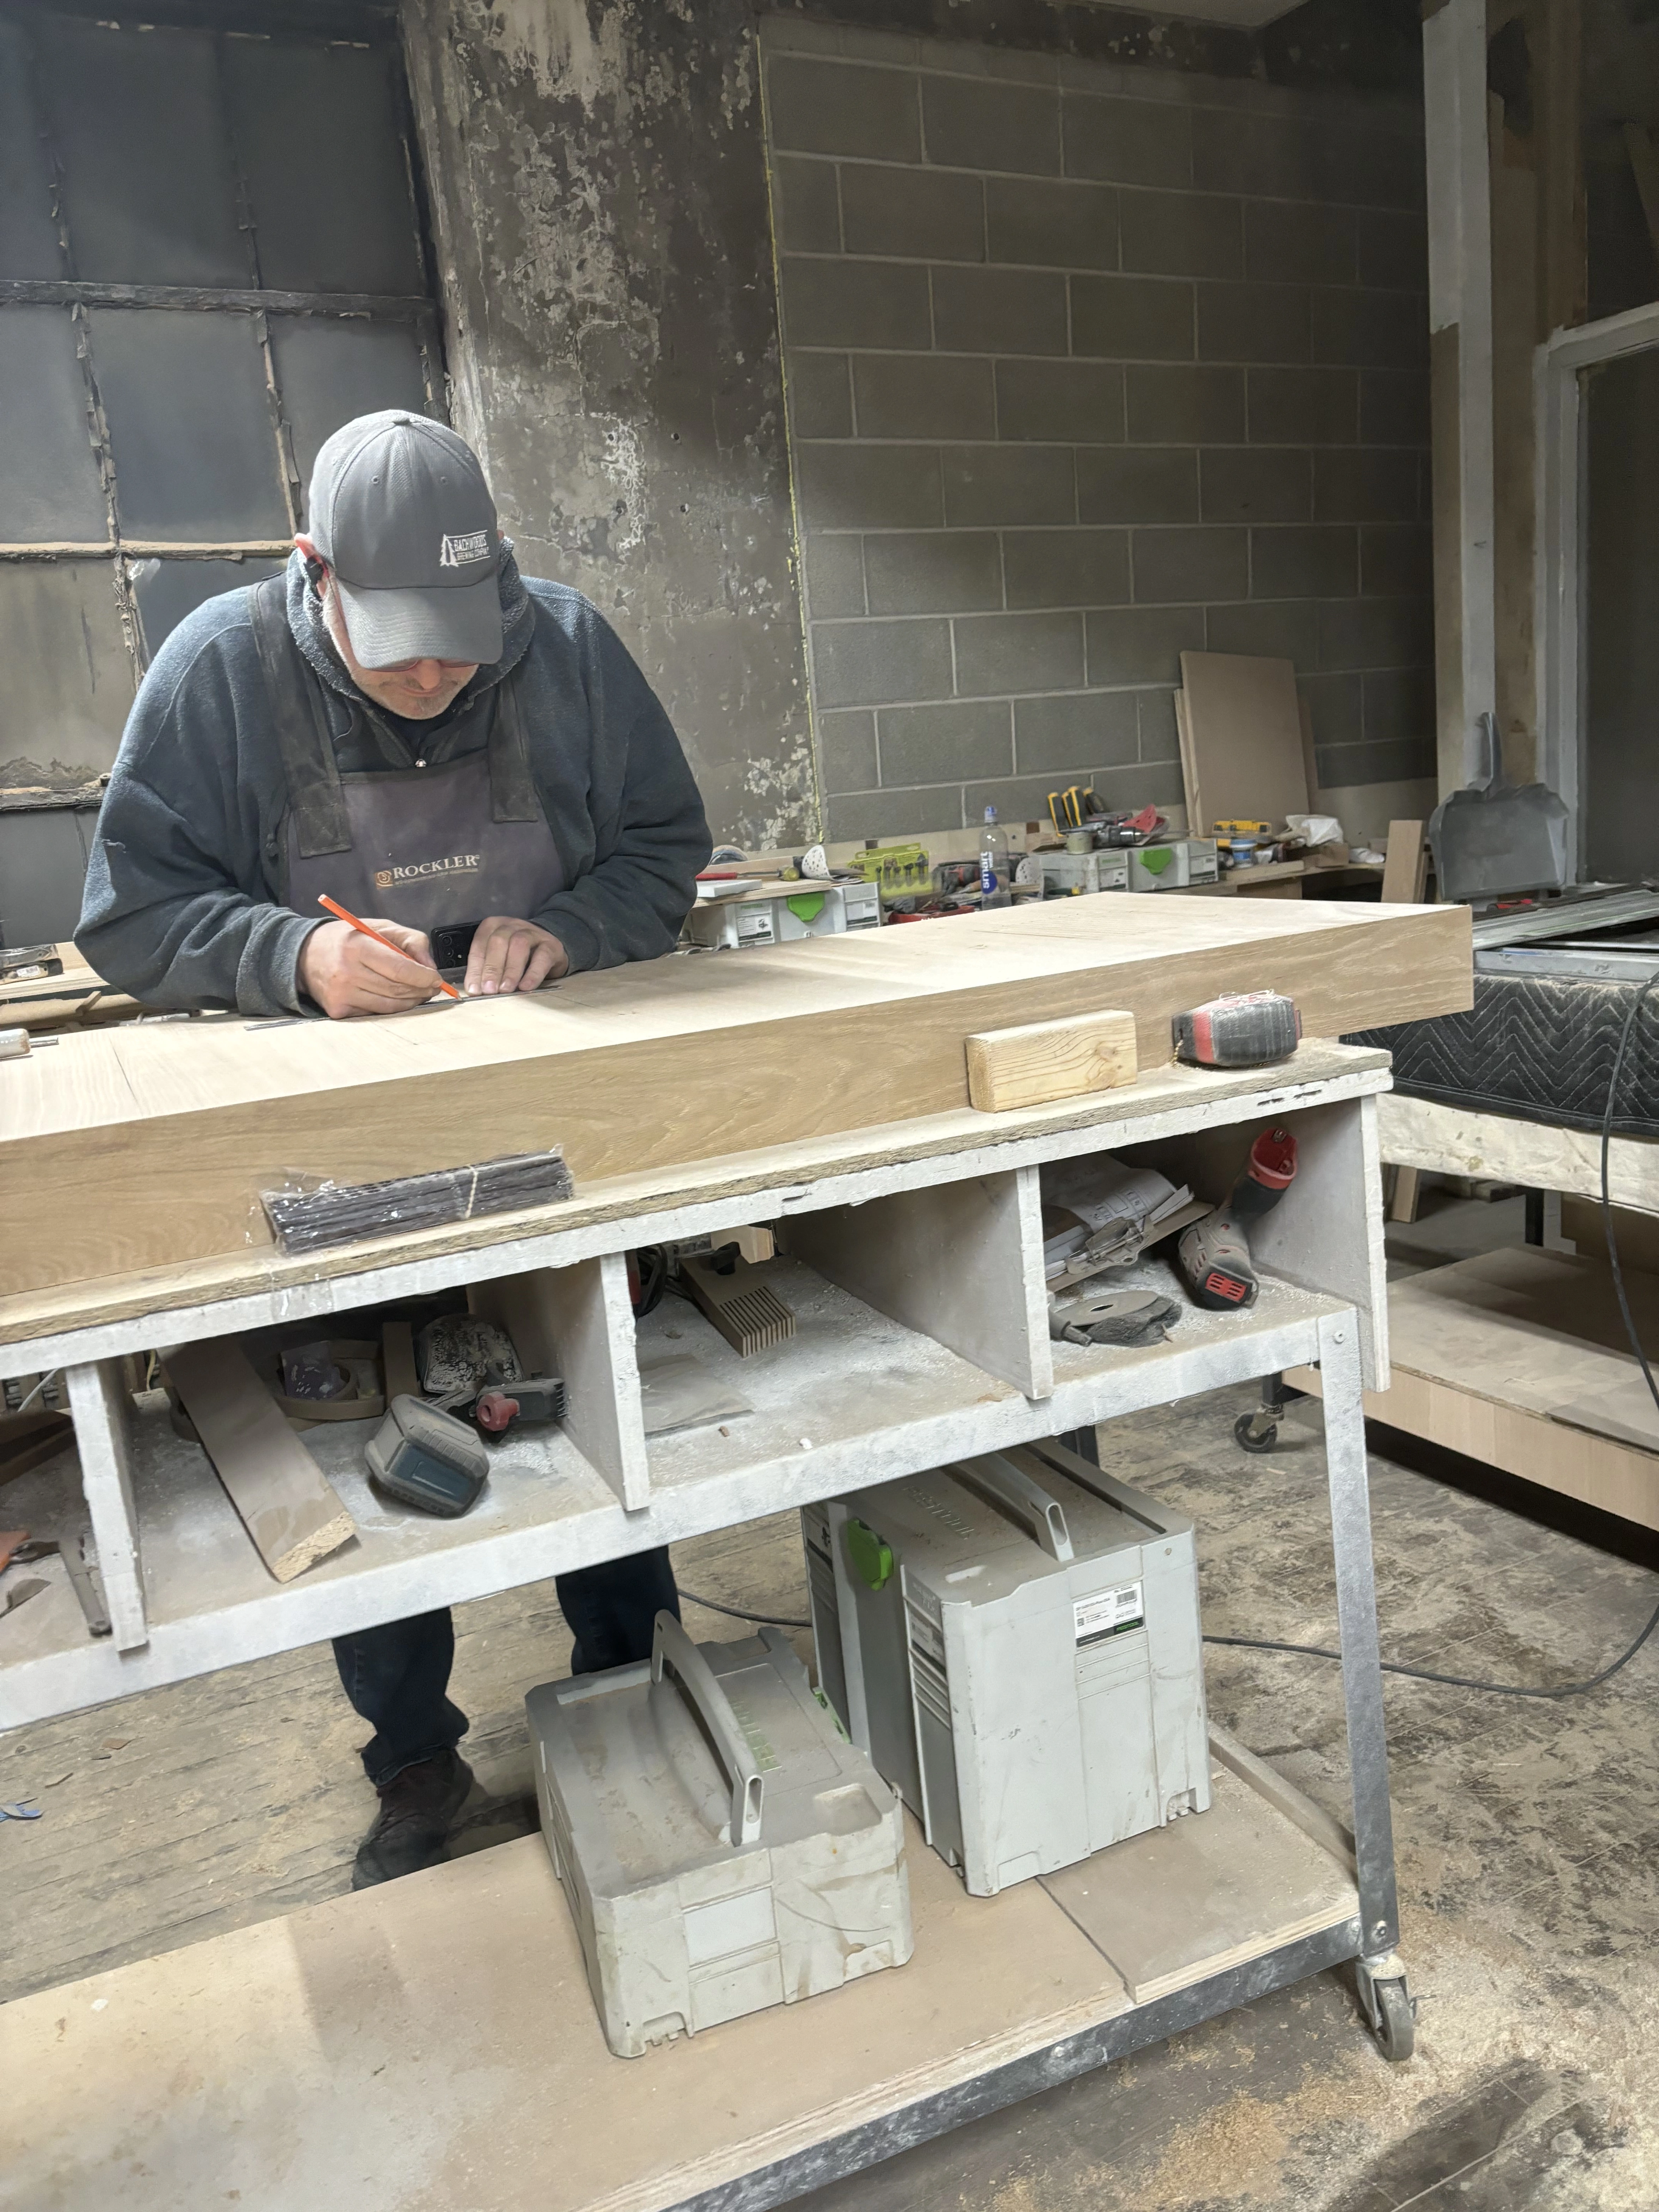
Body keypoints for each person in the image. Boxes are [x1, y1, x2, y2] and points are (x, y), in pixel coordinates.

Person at [79, 412, 712, 1886]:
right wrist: (291, 956)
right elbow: (128, 912)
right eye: (401, 647)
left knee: (589, 1414)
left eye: (460, 641)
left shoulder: (565, 650)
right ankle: (416, 1761)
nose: (437, 676)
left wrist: (570, 926)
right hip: (337, 1169)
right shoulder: (216, 677)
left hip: (544, 1135)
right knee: (370, 1459)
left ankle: (636, 1684)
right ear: (314, 576)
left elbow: (664, 851)